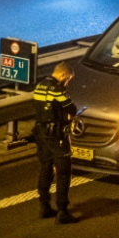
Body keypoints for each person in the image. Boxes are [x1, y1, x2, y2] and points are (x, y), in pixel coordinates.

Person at [33, 62, 79, 224]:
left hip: (41, 132)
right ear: (63, 75)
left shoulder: (39, 86)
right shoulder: (58, 90)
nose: (67, 83)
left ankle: (44, 205)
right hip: (57, 135)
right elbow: (71, 109)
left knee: (46, 167)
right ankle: (62, 211)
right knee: (63, 170)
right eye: (68, 79)